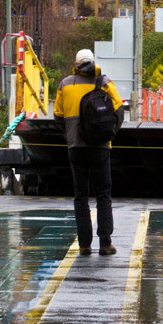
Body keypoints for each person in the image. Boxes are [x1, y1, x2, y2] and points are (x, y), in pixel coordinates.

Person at [54, 48, 124, 256]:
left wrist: (71, 134)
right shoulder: (104, 82)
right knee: (103, 194)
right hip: (100, 148)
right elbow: (119, 110)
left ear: (75, 63)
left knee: (80, 196)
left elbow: (58, 116)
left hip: (76, 148)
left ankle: (84, 244)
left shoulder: (65, 84)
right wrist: (108, 133)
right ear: (93, 62)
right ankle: (105, 243)